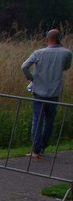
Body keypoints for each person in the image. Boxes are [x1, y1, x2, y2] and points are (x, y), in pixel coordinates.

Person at [21, 29, 72, 159]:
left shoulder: (38, 53)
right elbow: (66, 67)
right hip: (54, 92)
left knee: (37, 120)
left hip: (39, 90)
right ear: (59, 38)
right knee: (49, 121)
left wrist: (32, 77)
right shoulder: (67, 53)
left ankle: (36, 150)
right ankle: (43, 146)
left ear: (47, 39)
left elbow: (24, 66)